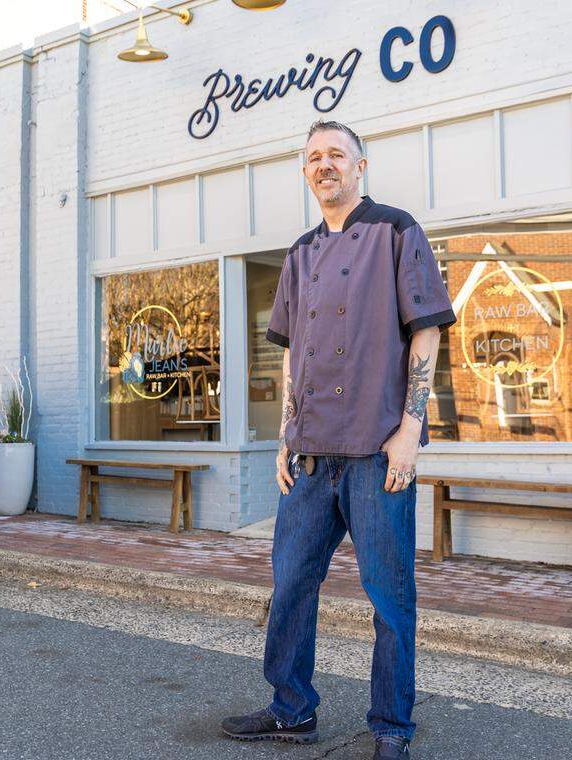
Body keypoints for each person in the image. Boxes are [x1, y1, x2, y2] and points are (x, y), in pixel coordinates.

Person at [221, 120, 456, 760]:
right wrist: (282, 437)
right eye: (314, 157)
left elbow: (427, 332)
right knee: (291, 584)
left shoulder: (396, 230)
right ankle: (292, 711)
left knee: (389, 597)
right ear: (305, 172)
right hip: (310, 454)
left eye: (337, 155)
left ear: (361, 165)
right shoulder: (298, 254)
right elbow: (295, 353)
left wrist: (411, 429)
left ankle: (391, 730)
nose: (325, 165)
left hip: (378, 452)